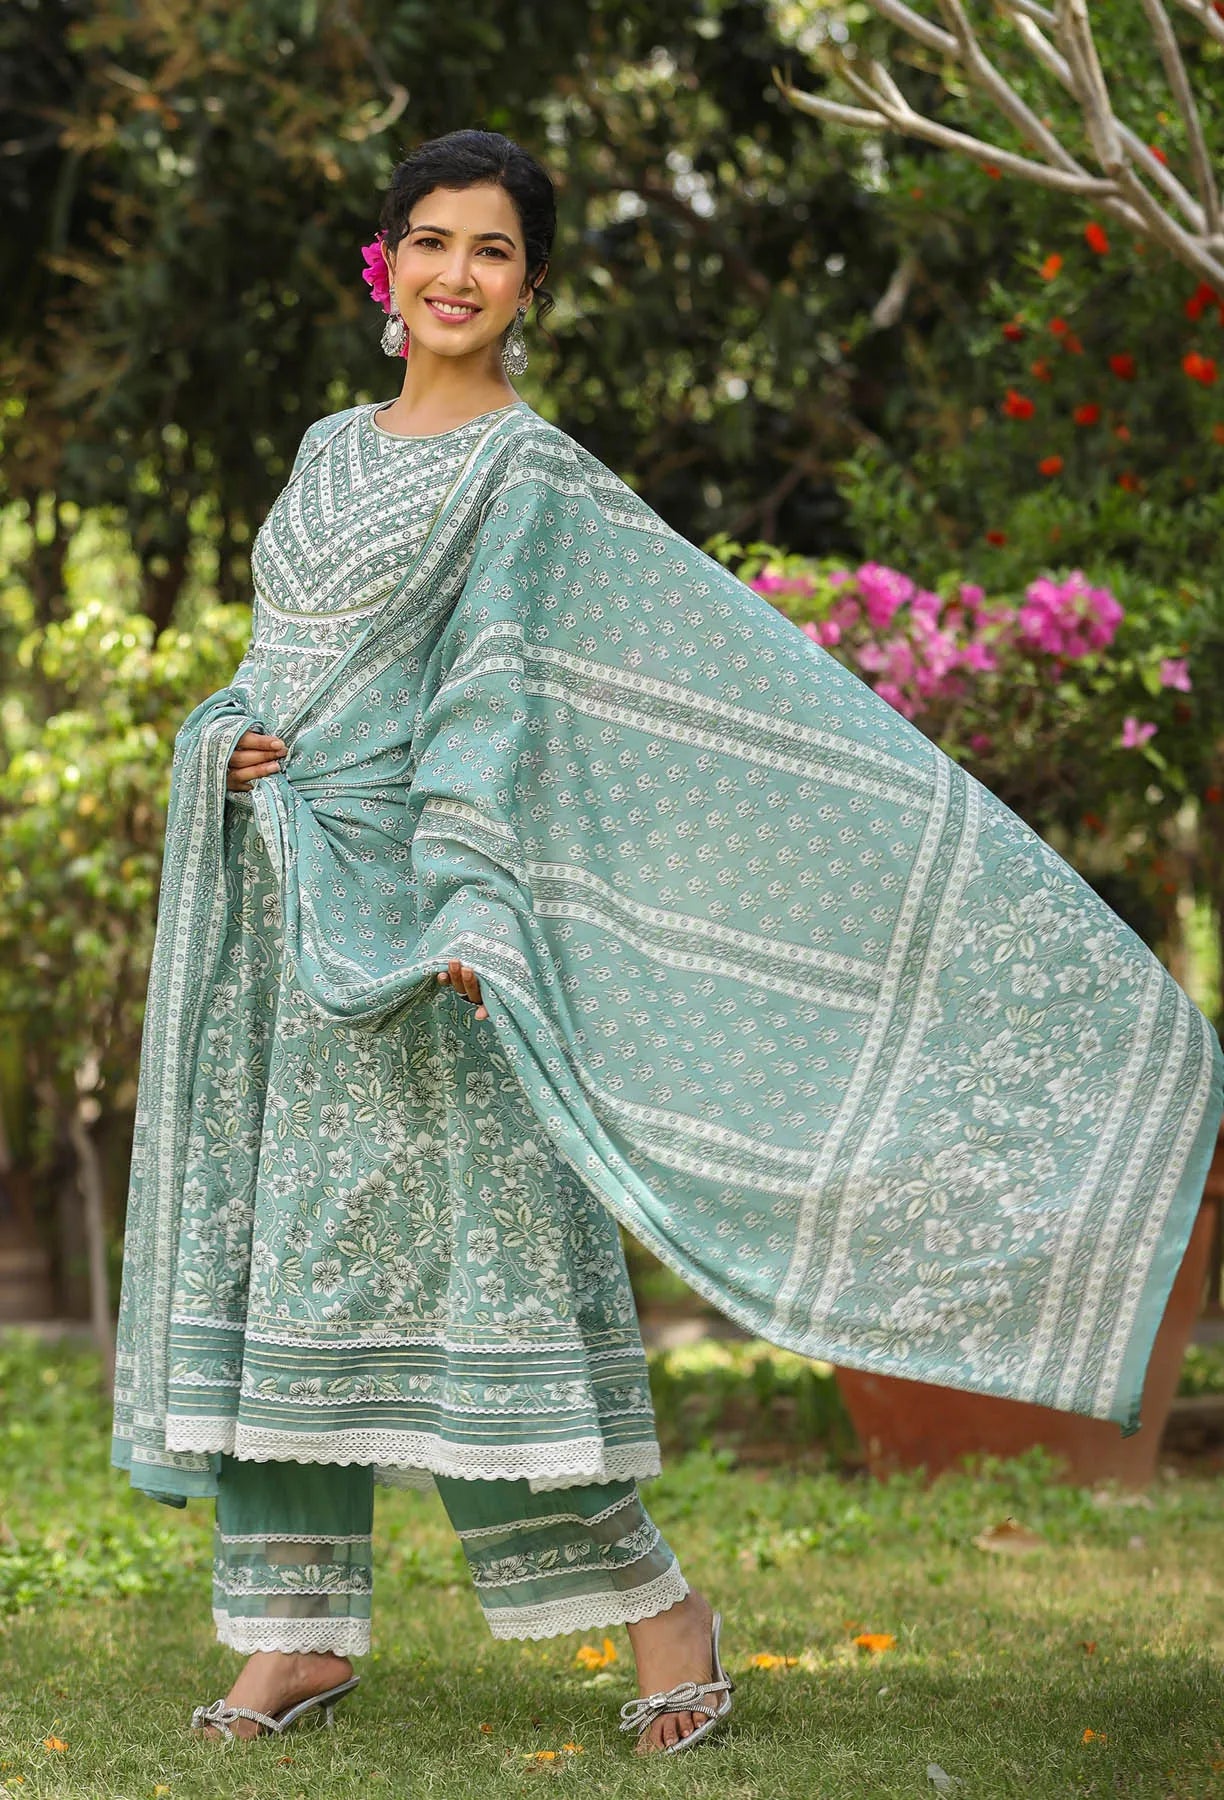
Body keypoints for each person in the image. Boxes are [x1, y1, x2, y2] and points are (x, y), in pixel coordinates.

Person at [111, 128, 1224, 1756]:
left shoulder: (527, 473)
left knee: (495, 1296)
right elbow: (281, 656)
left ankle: (661, 1617)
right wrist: (226, 740)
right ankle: (294, 1637)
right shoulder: (326, 448)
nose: (456, 274)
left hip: (442, 941)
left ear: (531, 287)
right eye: (431, 241)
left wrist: (476, 897)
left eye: (493, 250)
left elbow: (507, 700)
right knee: (295, 1272)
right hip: (286, 916)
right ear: (384, 262)